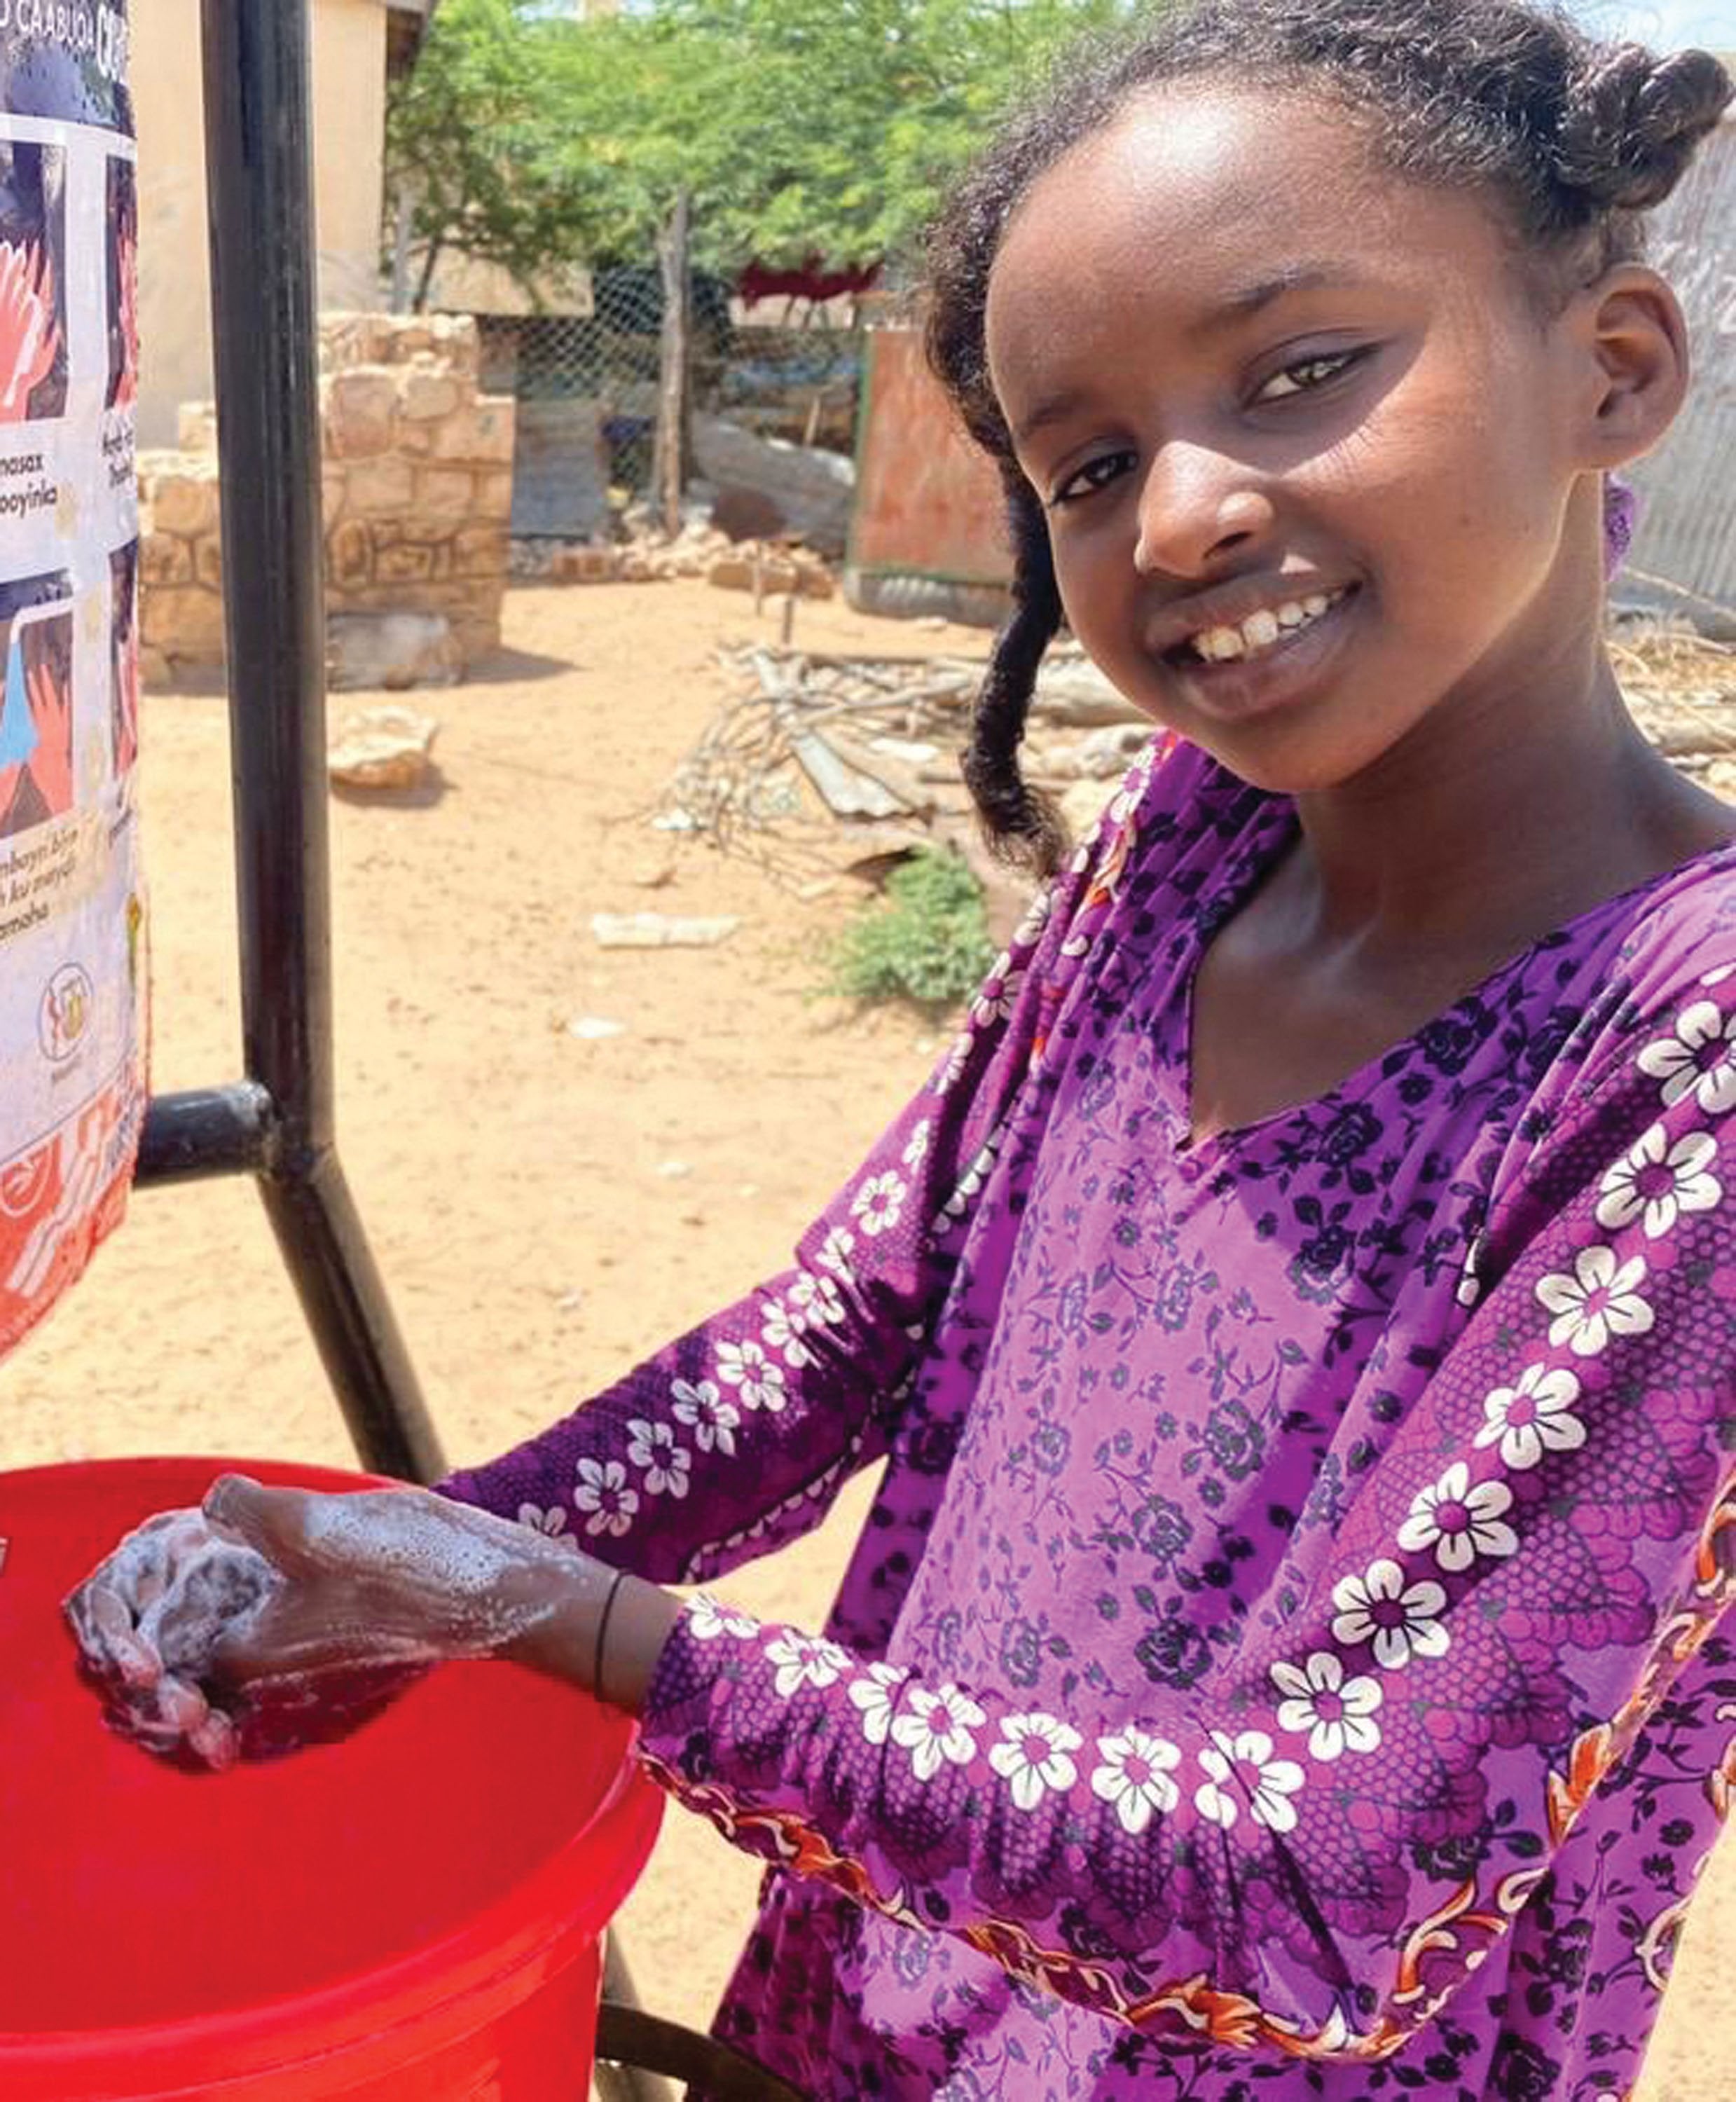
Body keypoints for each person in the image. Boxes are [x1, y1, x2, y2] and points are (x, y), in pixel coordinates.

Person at [65, 4, 1736, 2096]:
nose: (1190, 514)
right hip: (892, 2001)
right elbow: (857, 1327)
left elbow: (1327, 1893)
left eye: (1305, 372)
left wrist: (551, 1618)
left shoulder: (1687, 1071)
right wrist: (416, 1576)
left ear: (1616, 369)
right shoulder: (1190, 846)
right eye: (1094, 465)